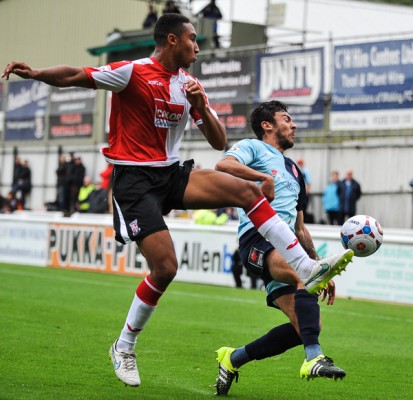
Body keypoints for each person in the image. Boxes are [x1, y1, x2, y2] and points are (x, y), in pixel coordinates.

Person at [2, 13, 353, 389]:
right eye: (192, 40)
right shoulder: (132, 72)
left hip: (170, 174)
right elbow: (77, 75)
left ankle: (306, 266)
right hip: (135, 182)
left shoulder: (189, 84)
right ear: (172, 40)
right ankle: (124, 345)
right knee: (166, 268)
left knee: (247, 191)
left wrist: (200, 107)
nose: (198, 47)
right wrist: (36, 73)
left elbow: (218, 142)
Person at [214, 100, 347, 396]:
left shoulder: (295, 172)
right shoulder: (254, 147)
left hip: (289, 248)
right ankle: (314, 358)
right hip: (258, 240)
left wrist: (318, 266)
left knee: (307, 326)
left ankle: (232, 359)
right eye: (286, 119)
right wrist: (262, 177)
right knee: (305, 282)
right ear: (267, 125)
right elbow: (223, 164)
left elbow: (300, 228)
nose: (294, 124)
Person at [296, 158, 313, 223]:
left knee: (303, 207)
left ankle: (303, 220)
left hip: (303, 192)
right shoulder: (299, 170)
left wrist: (306, 192)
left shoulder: (305, 171)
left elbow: (308, 182)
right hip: (299, 191)